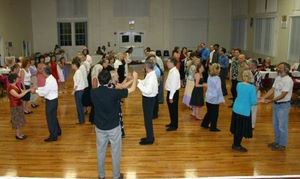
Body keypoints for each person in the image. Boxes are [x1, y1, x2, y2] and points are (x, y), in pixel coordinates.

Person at [91, 69, 137, 179]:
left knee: (100, 152)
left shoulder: (93, 92)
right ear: (109, 80)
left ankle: (101, 176)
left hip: (100, 127)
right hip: (113, 127)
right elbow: (132, 89)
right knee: (115, 153)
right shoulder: (114, 93)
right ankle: (116, 176)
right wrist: (135, 77)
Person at [259, 62, 294, 151]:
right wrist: (263, 97)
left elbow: (283, 94)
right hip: (276, 105)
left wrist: (270, 100)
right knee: (275, 125)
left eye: (280, 68)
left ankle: (282, 145)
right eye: (278, 67)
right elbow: (272, 89)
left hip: (283, 106)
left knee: (282, 126)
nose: (278, 69)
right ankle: (277, 142)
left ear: (286, 70)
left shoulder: (288, 80)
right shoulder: (278, 78)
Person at [230, 70, 257, 152]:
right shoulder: (252, 88)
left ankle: (235, 143)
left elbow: (241, 95)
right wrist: (260, 100)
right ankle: (237, 145)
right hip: (244, 110)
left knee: (236, 128)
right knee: (240, 129)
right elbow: (253, 101)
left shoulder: (239, 84)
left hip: (236, 108)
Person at [35, 66, 61, 142]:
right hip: (54, 100)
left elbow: (45, 92)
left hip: (51, 101)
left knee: (50, 119)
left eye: (43, 72)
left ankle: (53, 136)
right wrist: (38, 88)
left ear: (45, 73)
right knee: (54, 117)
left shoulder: (49, 80)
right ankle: (58, 131)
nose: (42, 73)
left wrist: (36, 91)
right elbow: (45, 88)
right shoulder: (50, 78)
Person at [137, 58, 158, 144]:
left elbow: (147, 90)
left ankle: (150, 139)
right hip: (148, 99)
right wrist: (137, 80)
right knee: (147, 119)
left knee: (148, 119)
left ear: (146, 67)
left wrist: (137, 84)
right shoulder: (150, 75)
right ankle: (149, 136)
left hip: (149, 99)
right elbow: (144, 82)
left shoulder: (151, 77)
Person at [201, 63, 224, 132]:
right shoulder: (217, 78)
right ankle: (213, 127)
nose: (220, 70)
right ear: (217, 70)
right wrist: (221, 99)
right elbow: (219, 90)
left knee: (209, 112)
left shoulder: (209, 76)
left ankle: (204, 124)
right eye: (219, 68)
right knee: (215, 114)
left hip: (208, 97)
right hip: (214, 98)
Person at [7, 73, 31, 140]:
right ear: (14, 79)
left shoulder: (16, 85)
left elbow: (22, 91)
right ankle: (18, 135)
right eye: (17, 78)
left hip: (19, 105)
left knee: (20, 120)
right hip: (14, 107)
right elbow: (18, 96)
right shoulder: (10, 88)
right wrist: (28, 90)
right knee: (17, 121)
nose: (19, 78)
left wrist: (29, 90)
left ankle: (20, 133)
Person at [165, 57, 181, 131]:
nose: (167, 63)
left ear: (172, 63)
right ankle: (172, 123)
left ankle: (174, 126)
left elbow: (173, 86)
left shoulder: (174, 72)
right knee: (171, 110)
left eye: (168, 62)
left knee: (174, 110)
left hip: (173, 93)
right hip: (171, 92)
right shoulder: (172, 71)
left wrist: (171, 97)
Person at [72, 57, 85, 125]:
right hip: (80, 90)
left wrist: (73, 91)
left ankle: (81, 120)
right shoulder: (78, 71)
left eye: (72, 65)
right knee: (80, 106)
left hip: (79, 91)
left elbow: (77, 83)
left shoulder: (78, 72)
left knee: (79, 106)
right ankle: (81, 119)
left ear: (75, 65)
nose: (72, 66)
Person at [249, 60, 262, 129]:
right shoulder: (249, 72)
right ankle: (248, 123)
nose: (248, 65)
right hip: (249, 92)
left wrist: (253, 95)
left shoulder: (258, 74)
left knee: (253, 109)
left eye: (249, 64)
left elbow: (257, 86)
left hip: (255, 92)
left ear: (253, 65)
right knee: (248, 109)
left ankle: (252, 125)